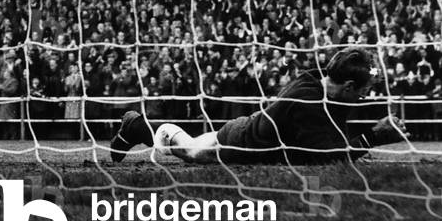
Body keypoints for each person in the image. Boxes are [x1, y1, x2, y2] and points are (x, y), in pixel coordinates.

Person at [110, 47, 410, 165]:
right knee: (189, 151)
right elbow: (326, 159)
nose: (365, 97)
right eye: (364, 91)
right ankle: (137, 125)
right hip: (242, 142)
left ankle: (136, 127)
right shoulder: (309, 103)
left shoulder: (318, 80)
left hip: (250, 128)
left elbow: (333, 134)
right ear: (347, 86)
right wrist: (376, 136)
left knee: (190, 145)